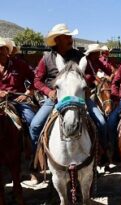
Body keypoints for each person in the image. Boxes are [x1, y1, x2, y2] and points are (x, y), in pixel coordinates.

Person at [30, 24, 105, 155]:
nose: (70, 39)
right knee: (35, 125)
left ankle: (101, 154)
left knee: (102, 122)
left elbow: (90, 75)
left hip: (79, 97)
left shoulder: (80, 56)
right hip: (56, 98)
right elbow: (37, 80)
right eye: (67, 37)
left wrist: (86, 86)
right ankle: (38, 157)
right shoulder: (47, 58)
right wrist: (49, 92)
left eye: (70, 36)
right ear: (57, 39)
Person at [0, 37, 35, 132]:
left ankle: (35, 146)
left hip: (18, 101)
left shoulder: (20, 64)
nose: (0, 52)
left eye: (1, 48)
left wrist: (28, 93)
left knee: (32, 121)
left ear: (7, 51)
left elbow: (36, 78)